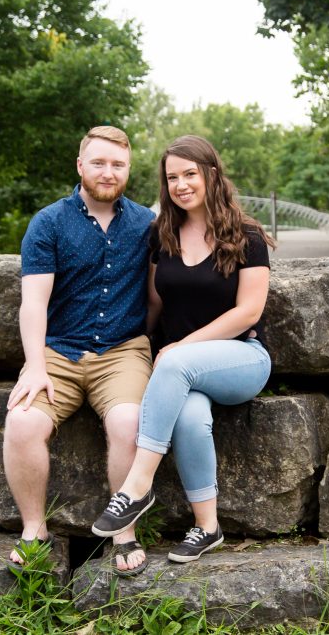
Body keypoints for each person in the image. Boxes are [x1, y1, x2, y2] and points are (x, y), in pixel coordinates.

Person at [91, 134, 274, 563]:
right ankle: (207, 527)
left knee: (174, 363)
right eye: (172, 177)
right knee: (190, 419)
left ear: (211, 174)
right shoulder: (163, 234)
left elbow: (249, 311)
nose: (181, 184)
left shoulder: (246, 235)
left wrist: (180, 347)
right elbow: (154, 304)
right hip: (183, 372)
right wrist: (130, 346)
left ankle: (136, 487)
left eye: (190, 174)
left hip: (241, 359)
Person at [4, 125, 154, 576]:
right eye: (99, 163)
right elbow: (34, 303)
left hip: (122, 351)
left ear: (128, 169)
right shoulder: (48, 223)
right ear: (80, 166)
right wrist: (34, 366)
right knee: (23, 421)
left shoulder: (147, 223)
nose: (108, 172)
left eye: (118, 165)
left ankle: (123, 531)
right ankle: (35, 530)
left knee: (129, 422)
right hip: (59, 351)